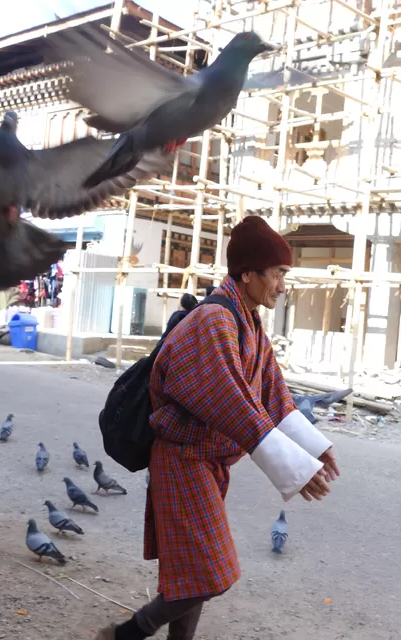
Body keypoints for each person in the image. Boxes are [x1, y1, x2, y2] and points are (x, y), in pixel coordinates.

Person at [97, 216, 338, 640]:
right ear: (248, 274)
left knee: (193, 572)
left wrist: (314, 449)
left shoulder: (247, 319)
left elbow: (272, 393)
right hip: (181, 459)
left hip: (205, 461)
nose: (282, 286)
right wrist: (294, 469)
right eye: (278, 274)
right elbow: (233, 406)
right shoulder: (215, 321)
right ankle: (130, 633)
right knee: (211, 572)